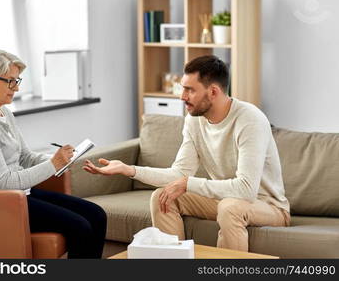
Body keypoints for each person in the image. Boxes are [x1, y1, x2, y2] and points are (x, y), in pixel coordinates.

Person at [84, 55, 290, 252]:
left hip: (268, 206)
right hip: (225, 199)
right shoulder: (194, 120)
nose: (182, 97)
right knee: (163, 197)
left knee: (230, 208)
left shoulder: (250, 119)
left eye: (190, 90)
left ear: (213, 92)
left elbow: (246, 190)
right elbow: (179, 174)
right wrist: (129, 170)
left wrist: (188, 183)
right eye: (183, 89)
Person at [0, 48, 106, 258]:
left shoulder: (3, 111)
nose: (15, 88)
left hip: (16, 195)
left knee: (96, 215)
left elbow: (25, 156)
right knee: (80, 227)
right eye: (9, 81)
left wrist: (64, 159)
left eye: (17, 81)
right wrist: (53, 164)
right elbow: (2, 181)